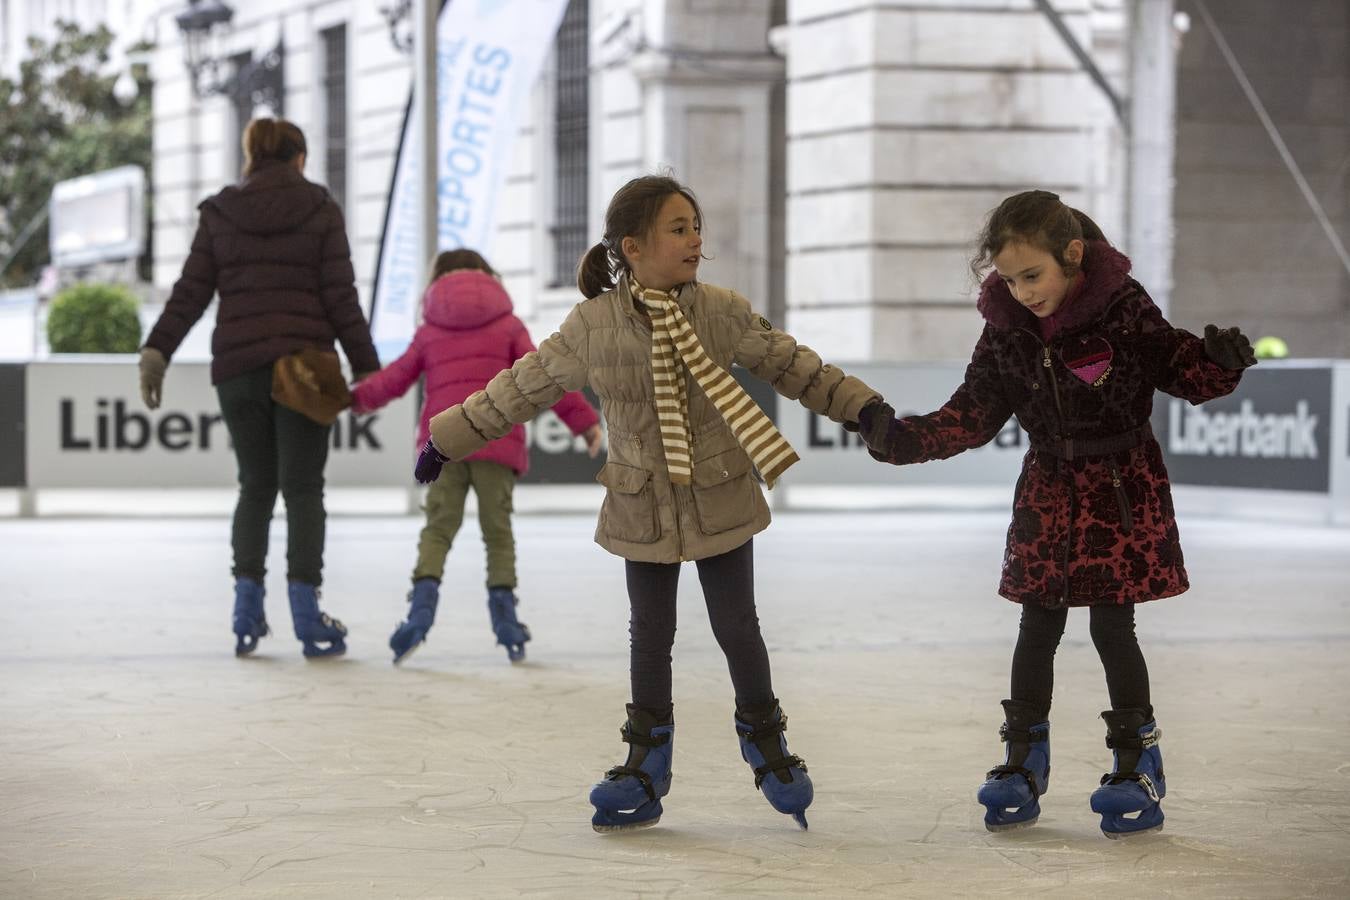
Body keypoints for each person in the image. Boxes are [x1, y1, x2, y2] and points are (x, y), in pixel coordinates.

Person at [417, 175, 879, 832]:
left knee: (737, 626)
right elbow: (522, 387)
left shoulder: (719, 311)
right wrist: (448, 436)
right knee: (649, 635)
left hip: (719, 491)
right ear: (632, 246)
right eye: (678, 228)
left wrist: (864, 409)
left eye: (696, 226)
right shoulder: (592, 325)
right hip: (642, 501)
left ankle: (768, 744)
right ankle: (645, 761)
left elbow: (794, 365)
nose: (695, 240)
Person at [852, 190, 1256, 838]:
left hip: (1117, 489)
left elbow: (1179, 366)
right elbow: (973, 412)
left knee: (1110, 629)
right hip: (1046, 490)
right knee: (1035, 628)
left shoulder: (1123, 310)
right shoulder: (1007, 329)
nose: (1023, 291)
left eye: (1032, 275)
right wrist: (902, 438)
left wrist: (1218, 361)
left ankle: (1136, 763)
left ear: (1071, 256)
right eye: (1010, 279)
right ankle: (1021, 761)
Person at [139, 117, 380, 659]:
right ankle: (305, 615)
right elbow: (341, 297)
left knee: (255, 486)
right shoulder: (320, 209)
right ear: (299, 158)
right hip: (303, 369)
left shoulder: (221, 212)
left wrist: (157, 351)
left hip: (239, 368)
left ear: (250, 156)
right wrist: (367, 367)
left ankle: (245, 609)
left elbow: (191, 291)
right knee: (302, 490)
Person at [350, 249, 602, 664]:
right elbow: (543, 374)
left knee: (437, 530)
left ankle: (419, 612)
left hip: (444, 445)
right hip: (497, 442)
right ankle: (505, 620)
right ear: (488, 275)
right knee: (497, 532)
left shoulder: (430, 330)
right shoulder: (507, 325)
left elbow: (394, 379)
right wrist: (583, 421)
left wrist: (354, 399)